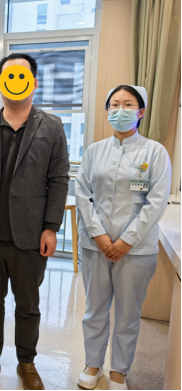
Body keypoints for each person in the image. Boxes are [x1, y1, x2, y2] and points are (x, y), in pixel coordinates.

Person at [0, 53, 70, 391]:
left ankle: (27, 362)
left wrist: (51, 227)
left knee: (28, 305)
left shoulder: (51, 126)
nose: (15, 82)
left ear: (33, 83)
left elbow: (59, 179)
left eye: (22, 76)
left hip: (31, 234)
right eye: (8, 76)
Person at [75, 85, 171, 391]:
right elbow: (82, 195)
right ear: (107, 111)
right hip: (96, 247)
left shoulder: (155, 152)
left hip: (137, 249)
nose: (120, 110)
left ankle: (119, 371)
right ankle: (92, 364)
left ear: (140, 112)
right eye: (114, 104)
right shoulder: (94, 151)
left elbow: (156, 202)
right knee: (95, 309)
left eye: (128, 104)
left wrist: (127, 240)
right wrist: (99, 235)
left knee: (129, 313)